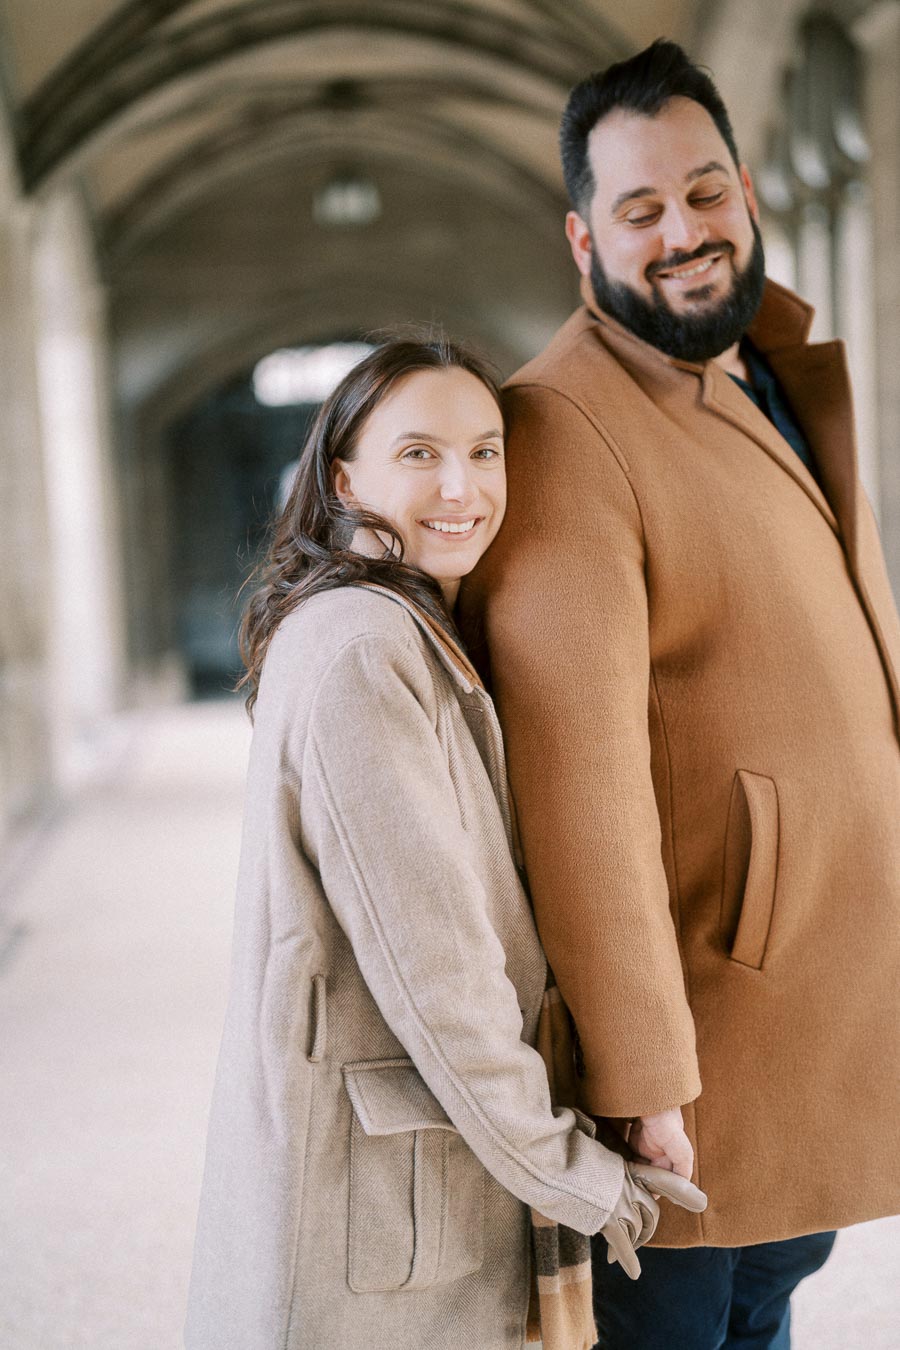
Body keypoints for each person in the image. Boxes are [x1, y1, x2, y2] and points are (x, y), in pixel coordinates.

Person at [462, 39, 900, 1350]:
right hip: (702, 1063)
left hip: (805, 1014)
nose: (684, 233)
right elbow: (576, 779)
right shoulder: (563, 425)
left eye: (703, 193)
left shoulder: (755, 367)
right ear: (583, 241)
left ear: (749, 189)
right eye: (640, 209)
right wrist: (644, 1078)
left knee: (766, 1303)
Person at [183, 335, 706, 1350]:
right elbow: (440, 974)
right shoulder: (363, 649)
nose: (461, 485)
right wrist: (575, 1174)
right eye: (419, 454)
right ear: (343, 479)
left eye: (485, 451)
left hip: (413, 1182)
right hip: (377, 1207)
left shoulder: (408, 629)